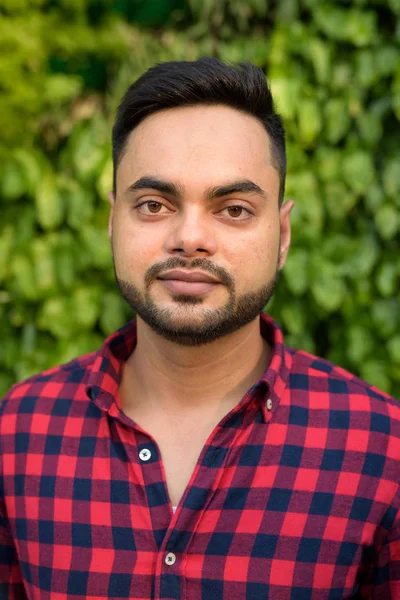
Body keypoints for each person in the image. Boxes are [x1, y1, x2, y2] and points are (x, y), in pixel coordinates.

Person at [0, 57, 399, 600]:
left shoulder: (381, 450)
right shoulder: (20, 434)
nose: (190, 237)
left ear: (282, 235)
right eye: (154, 204)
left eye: (233, 209)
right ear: (112, 221)